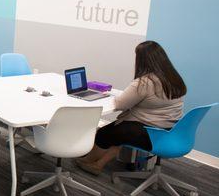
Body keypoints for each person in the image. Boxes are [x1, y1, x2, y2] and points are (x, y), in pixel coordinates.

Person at [76, 41, 186, 175]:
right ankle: (99, 164)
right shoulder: (173, 78)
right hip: (170, 129)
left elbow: (120, 104)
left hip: (150, 132)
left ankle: (87, 161)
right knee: (118, 130)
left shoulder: (145, 82)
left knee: (105, 133)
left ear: (143, 60)